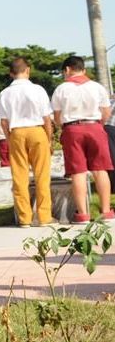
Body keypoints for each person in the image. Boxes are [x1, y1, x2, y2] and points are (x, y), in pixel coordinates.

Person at [50, 55, 114, 222]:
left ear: (67, 70)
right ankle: (106, 211)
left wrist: (61, 126)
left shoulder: (61, 89)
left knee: (78, 172)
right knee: (100, 170)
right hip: (95, 127)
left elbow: (56, 116)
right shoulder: (97, 87)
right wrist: (99, 124)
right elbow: (106, 112)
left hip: (72, 129)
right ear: (83, 70)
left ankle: (83, 214)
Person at [0, 57, 54, 228]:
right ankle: (44, 217)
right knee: (42, 175)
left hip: (17, 132)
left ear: (10, 73)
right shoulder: (38, 90)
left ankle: (24, 218)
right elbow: (47, 118)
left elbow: (4, 122)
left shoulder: (4, 93)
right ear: (28, 70)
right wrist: (49, 139)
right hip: (37, 130)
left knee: (19, 177)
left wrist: (9, 138)